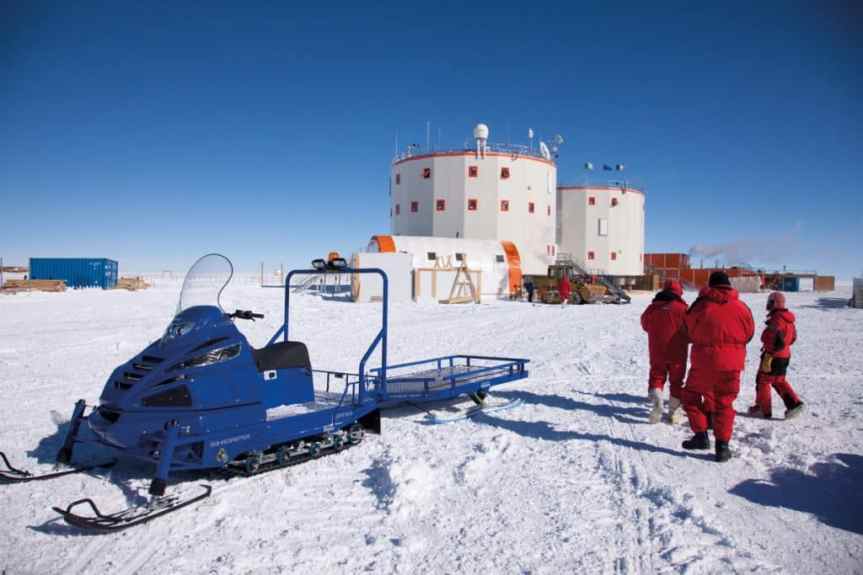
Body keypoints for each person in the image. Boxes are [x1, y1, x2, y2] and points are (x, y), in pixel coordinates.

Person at [680, 271, 755, 462]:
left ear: (710, 285)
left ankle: (701, 436)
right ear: (729, 285)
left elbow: (687, 330)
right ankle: (722, 447)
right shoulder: (742, 307)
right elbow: (749, 334)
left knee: (690, 397)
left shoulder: (701, 305)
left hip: (704, 362)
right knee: (724, 403)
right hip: (732, 364)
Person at [747, 292, 805, 419]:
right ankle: (794, 404)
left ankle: (763, 409)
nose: (768, 304)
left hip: (773, 355)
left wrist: (767, 344)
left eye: (770, 302)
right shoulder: (787, 318)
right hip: (784, 355)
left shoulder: (777, 318)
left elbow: (771, 338)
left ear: (775, 303)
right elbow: (793, 337)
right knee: (778, 381)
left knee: (763, 381)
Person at [640, 279, 688, 424]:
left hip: (657, 349)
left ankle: (657, 401)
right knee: (676, 381)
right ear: (679, 291)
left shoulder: (652, 308)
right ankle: (674, 412)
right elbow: (690, 329)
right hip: (677, 350)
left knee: (657, 375)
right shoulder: (682, 308)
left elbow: (645, 324)